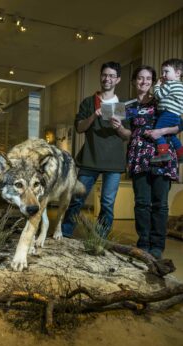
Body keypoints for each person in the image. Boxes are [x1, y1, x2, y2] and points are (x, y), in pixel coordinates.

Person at [111, 65, 180, 259]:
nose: (144, 82)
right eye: (140, 78)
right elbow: (127, 135)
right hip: (138, 156)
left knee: (160, 204)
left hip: (162, 156)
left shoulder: (161, 100)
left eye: (148, 78)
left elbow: (178, 125)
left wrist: (161, 132)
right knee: (142, 203)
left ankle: (157, 245)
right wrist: (117, 128)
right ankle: (143, 242)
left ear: (153, 81)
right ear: (133, 81)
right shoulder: (125, 105)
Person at [61, 61, 129, 238]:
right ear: (101, 76)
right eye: (105, 75)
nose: (108, 79)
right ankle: (65, 232)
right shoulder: (89, 103)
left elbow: (127, 135)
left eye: (112, 76)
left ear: (118, 79)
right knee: (77, 198)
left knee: (107, 203)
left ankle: (100, 238)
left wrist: (119, 127)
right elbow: (80, 128)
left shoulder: (121, 106)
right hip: (90, 159)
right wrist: (94, 115)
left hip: (113, 162)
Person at [150, 58, 183, 163]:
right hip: (176, 116)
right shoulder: (180, 86)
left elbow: (159, 95)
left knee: (157, 132)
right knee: (171, 135)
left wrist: (157, 86)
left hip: (167, 114)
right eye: (162, 72)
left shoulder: (170, 84)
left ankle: (163, 154)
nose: (163, 74)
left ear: (178, 73)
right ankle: (181, 153)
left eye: (166, 71)